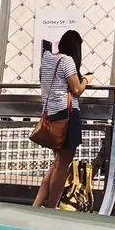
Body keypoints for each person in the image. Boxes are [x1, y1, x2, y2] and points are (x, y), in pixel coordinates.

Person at [33, 30, 92, 209]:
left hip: (51, 115)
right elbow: (77, 90)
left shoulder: (47, 60)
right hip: (67, 116)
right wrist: (87, 80)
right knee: (61, 167)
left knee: (56, 165)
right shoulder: (67, 61)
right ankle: (52, 208)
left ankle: (36, 205)